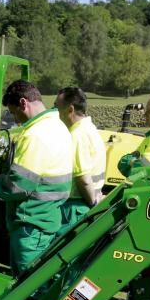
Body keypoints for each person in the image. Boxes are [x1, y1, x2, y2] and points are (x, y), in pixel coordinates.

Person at [0, 80, 73, 276]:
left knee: (27, 285)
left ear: (24, 103)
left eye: (14, 111)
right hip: (47, 218)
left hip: (30, 222)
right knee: (40, 278)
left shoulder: (34, 135)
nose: (15, 118)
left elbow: (17, 185)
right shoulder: (58, 126)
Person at [55, 87, 106, 235]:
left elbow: (82, 178)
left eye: (57, 107)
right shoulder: (89, 128)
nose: (55, 112)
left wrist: (93, 203)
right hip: (88, 199)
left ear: (70, 109)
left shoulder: (77, 135)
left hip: (76, 206)